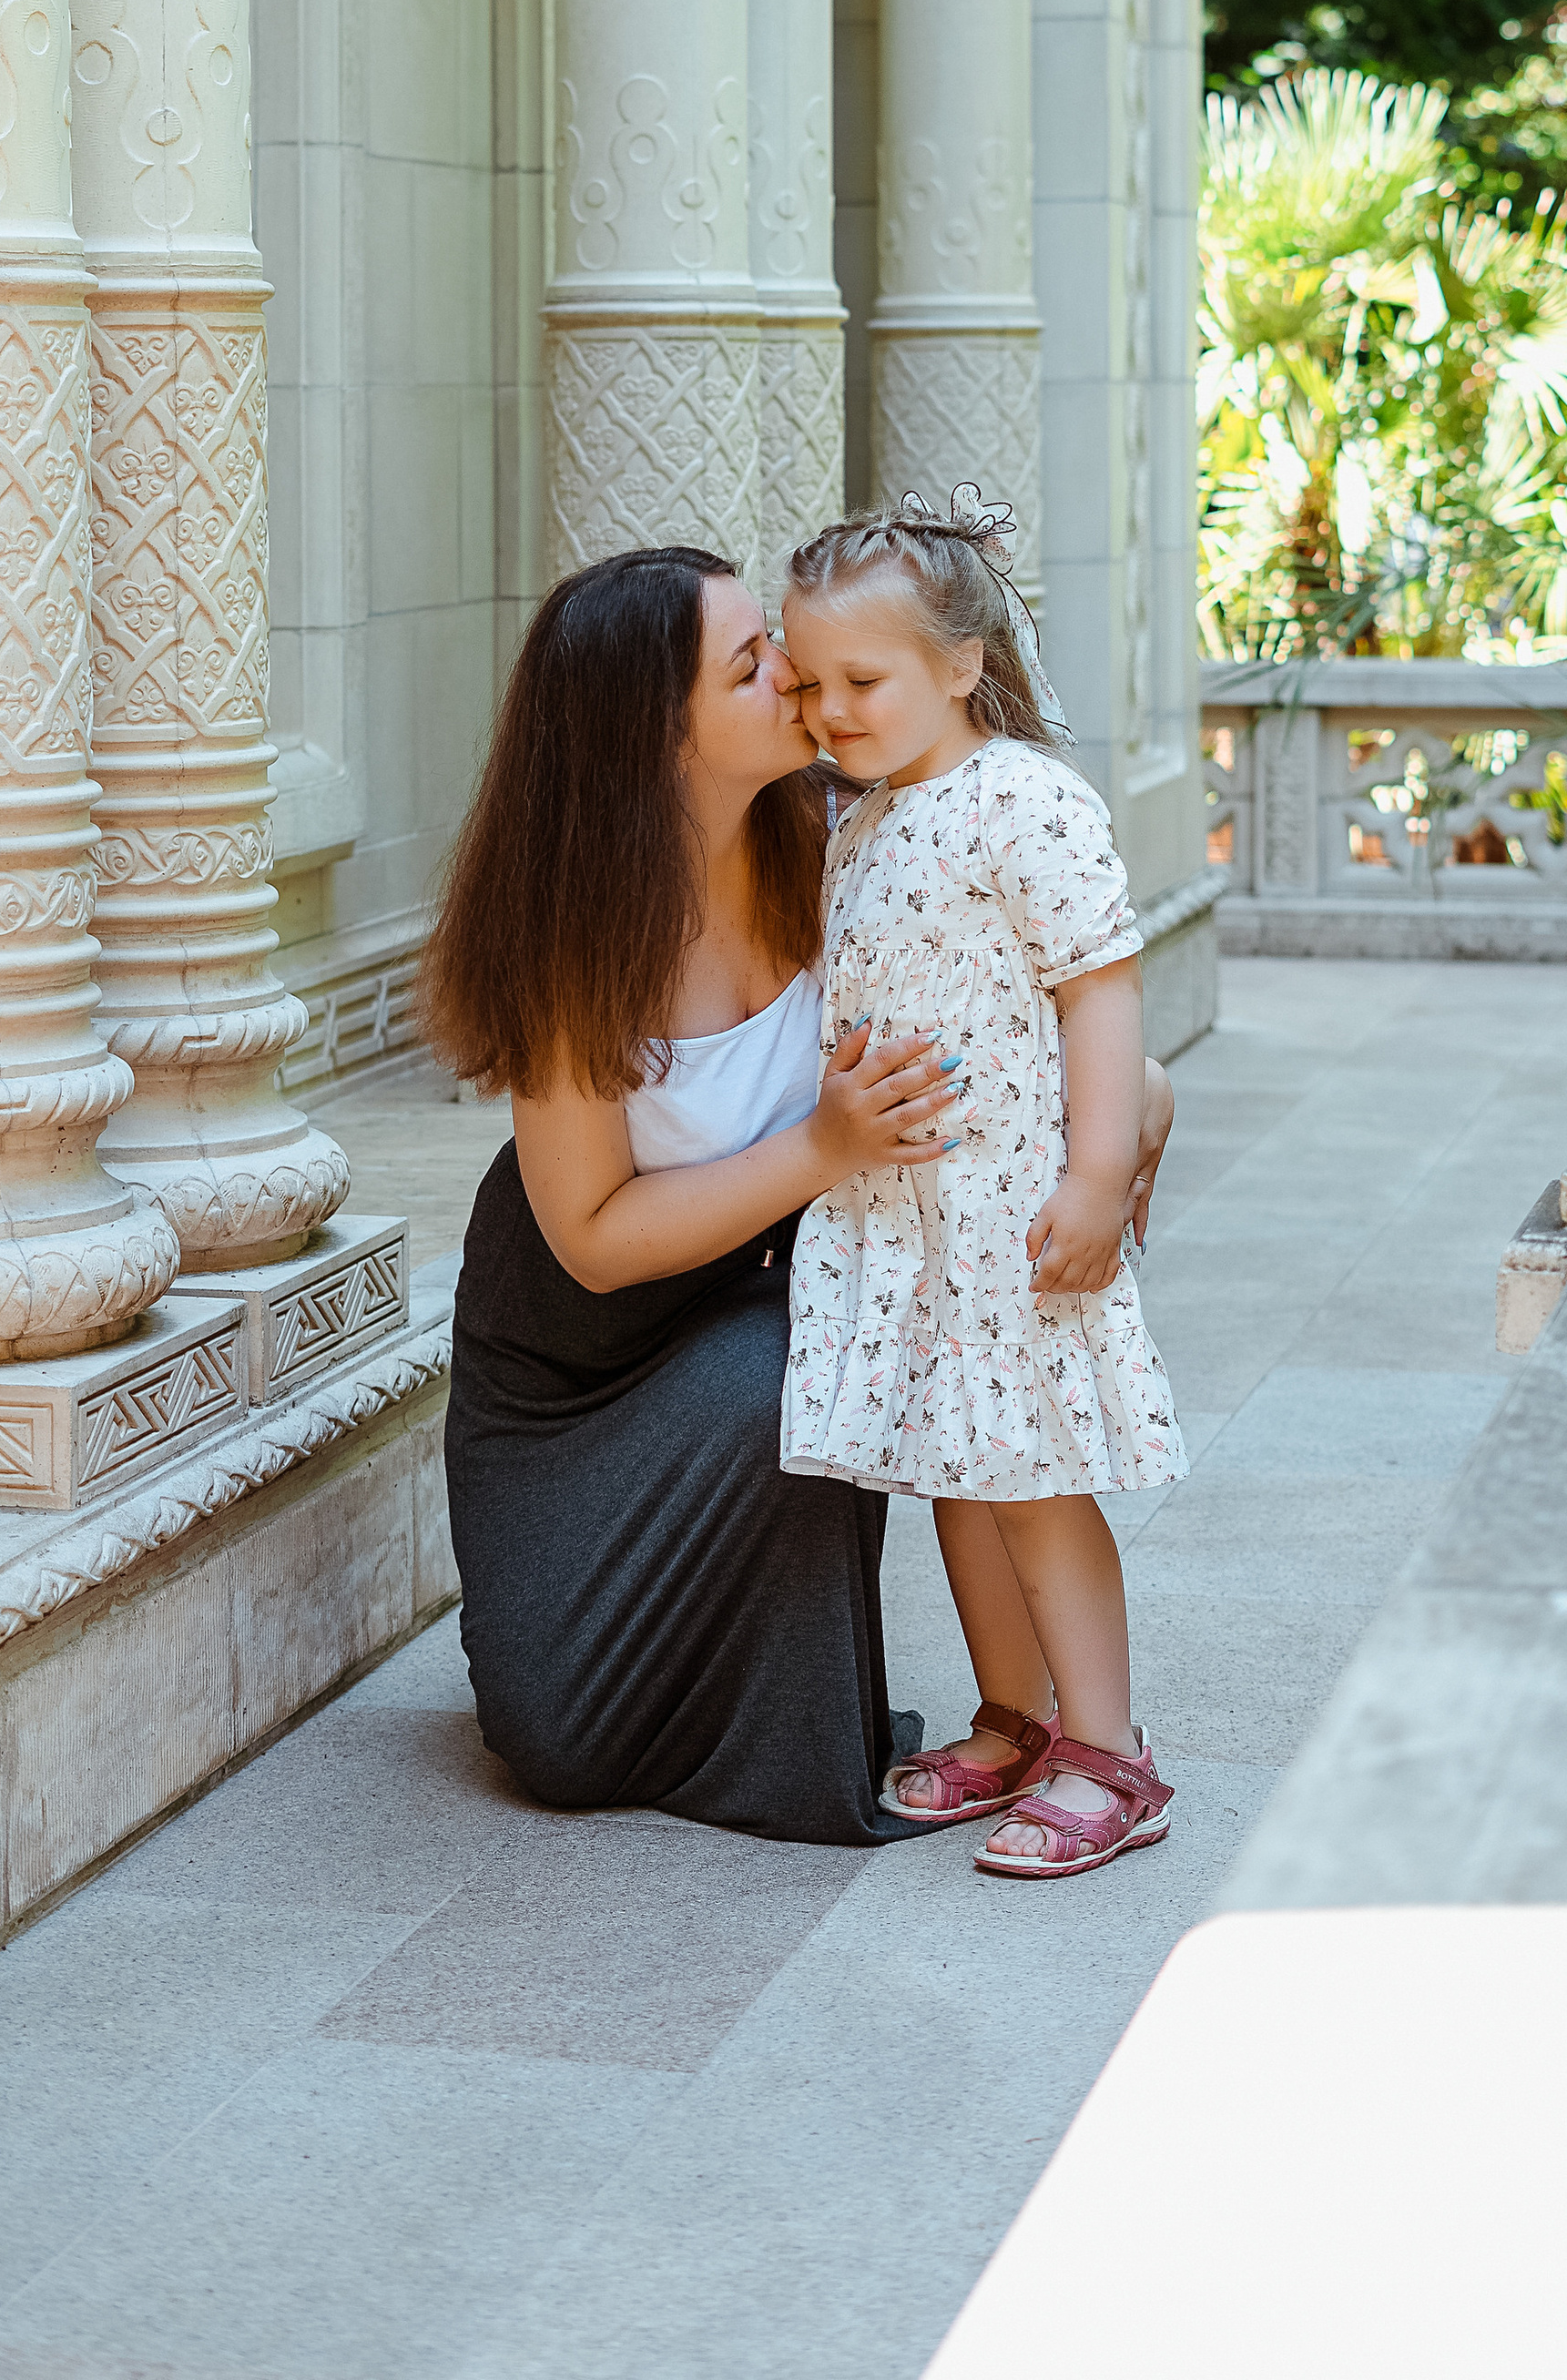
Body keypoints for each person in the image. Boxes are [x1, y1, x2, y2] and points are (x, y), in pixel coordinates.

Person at [422, 541, 1174, 1851]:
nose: (797, 678)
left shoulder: (852, 827)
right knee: (558, 1739)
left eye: (778, 641)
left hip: (772, 1288)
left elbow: (1038, 990)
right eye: (752, 663)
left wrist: (1122, 1129)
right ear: (658, 736)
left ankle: (1057, 1735)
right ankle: (993, 1715)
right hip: (584, 1353)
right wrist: (827, 1150)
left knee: (852, 1363)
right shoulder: (573, 940)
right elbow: (593, 1243)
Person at [779, 500, 1187, 1878]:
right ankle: (1014, 1717)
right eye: (809, 683)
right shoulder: (864, 819)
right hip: (909, 1223)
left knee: (1037, 1479)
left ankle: (1112, 1750)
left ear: (961, 664)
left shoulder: (1025, 798)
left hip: (1009, 1213)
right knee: (959, 1471)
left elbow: (1100, 988)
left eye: (862, 679)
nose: (829, 711)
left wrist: (1098, 1170)